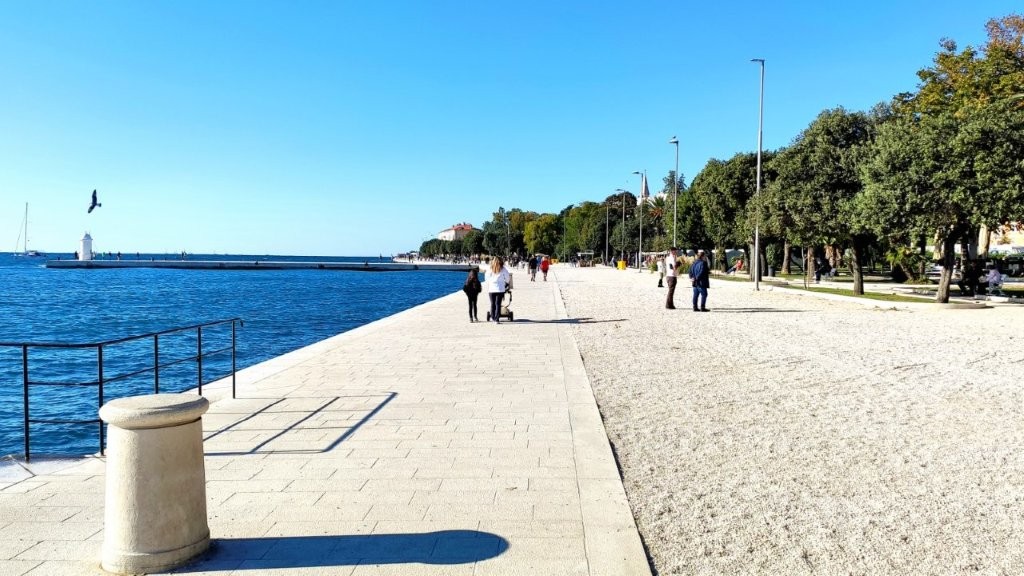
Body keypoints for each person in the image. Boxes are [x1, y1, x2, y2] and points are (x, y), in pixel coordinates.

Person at [484, 257, 512, 323]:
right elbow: (507, 278)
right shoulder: (503, 269)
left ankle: (493, 317)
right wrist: (506, 283)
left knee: (492, 304)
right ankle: (497, 319)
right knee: (498, 304)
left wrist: (490, 282)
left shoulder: (490, 269)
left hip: (491, 289)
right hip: (500, 289)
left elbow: (486, 278)